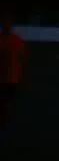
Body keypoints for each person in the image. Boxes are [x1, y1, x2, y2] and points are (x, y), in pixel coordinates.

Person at [0, 13, 26, 148]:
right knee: (4, 105)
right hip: (6, 78)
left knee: (6, 105)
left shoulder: (17, 41)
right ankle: (6, 127)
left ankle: (5, 128)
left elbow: (22, 60)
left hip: (11, 79)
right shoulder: (14, 41)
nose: (7, 25)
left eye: (8, 23)